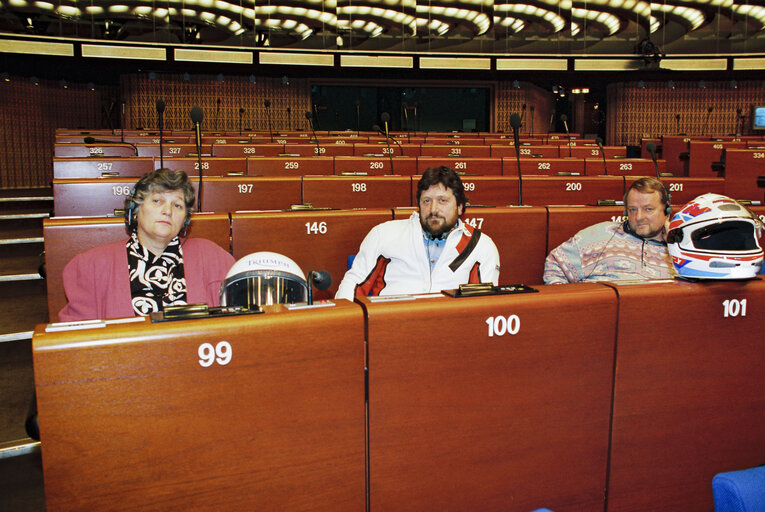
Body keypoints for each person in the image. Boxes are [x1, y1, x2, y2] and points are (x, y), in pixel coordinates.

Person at [58, 169, 235, 321]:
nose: (168, 211)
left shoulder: (214, 257)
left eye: (178, 205)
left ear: (185, 221)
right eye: (157, 201)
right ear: (135, 211)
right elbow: (76, 341)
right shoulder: (91, 266)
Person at [335, 166, 500, 300]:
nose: (433, 209)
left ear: (460, 207)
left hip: (450, 332)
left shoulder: (481, 246)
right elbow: (352, 285)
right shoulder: (384, 234)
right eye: (427, 201)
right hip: (389, 327)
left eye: (443, 201)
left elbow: (484, 307)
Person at [543, 177, 675, 284]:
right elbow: (555, 264)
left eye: (648, 209)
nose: (639, 217)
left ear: (667, 210)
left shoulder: (682, 247)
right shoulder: (600, 233)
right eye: (632, 210)